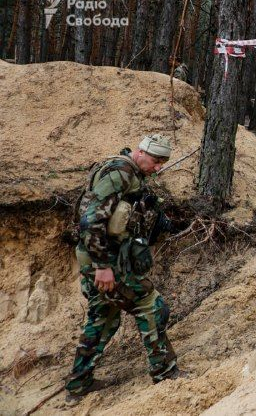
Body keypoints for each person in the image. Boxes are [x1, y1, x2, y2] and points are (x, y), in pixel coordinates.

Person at [65, 134, 183, 403]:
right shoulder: (120, 174)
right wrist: (103, 267)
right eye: (155, 161)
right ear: (141, 152)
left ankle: (78, 385)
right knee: (151, 306)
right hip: (105, 262)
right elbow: (91, 221)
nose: (158, 168)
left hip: (99, 259)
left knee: (103, 319)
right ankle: (165, 374)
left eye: (162, 163)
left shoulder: (127, 170)